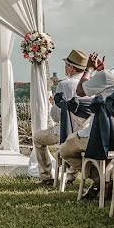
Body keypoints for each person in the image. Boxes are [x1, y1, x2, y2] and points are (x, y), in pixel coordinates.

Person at [59, 43, 114, 198]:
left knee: (65, 149)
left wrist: (90, 69)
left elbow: (80, 91)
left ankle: (100, 180)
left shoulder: (108, 75)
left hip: (103, 137)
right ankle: (108, 180)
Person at [32, 49, 88, 185]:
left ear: (71, 67)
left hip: (67, 133)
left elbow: (57, 117)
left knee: (38, 138)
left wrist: (53, 105)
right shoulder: (91, 84)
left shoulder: (64, 85)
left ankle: (46, 176)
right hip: (85, 133)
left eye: (66, 64)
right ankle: (70, 176)